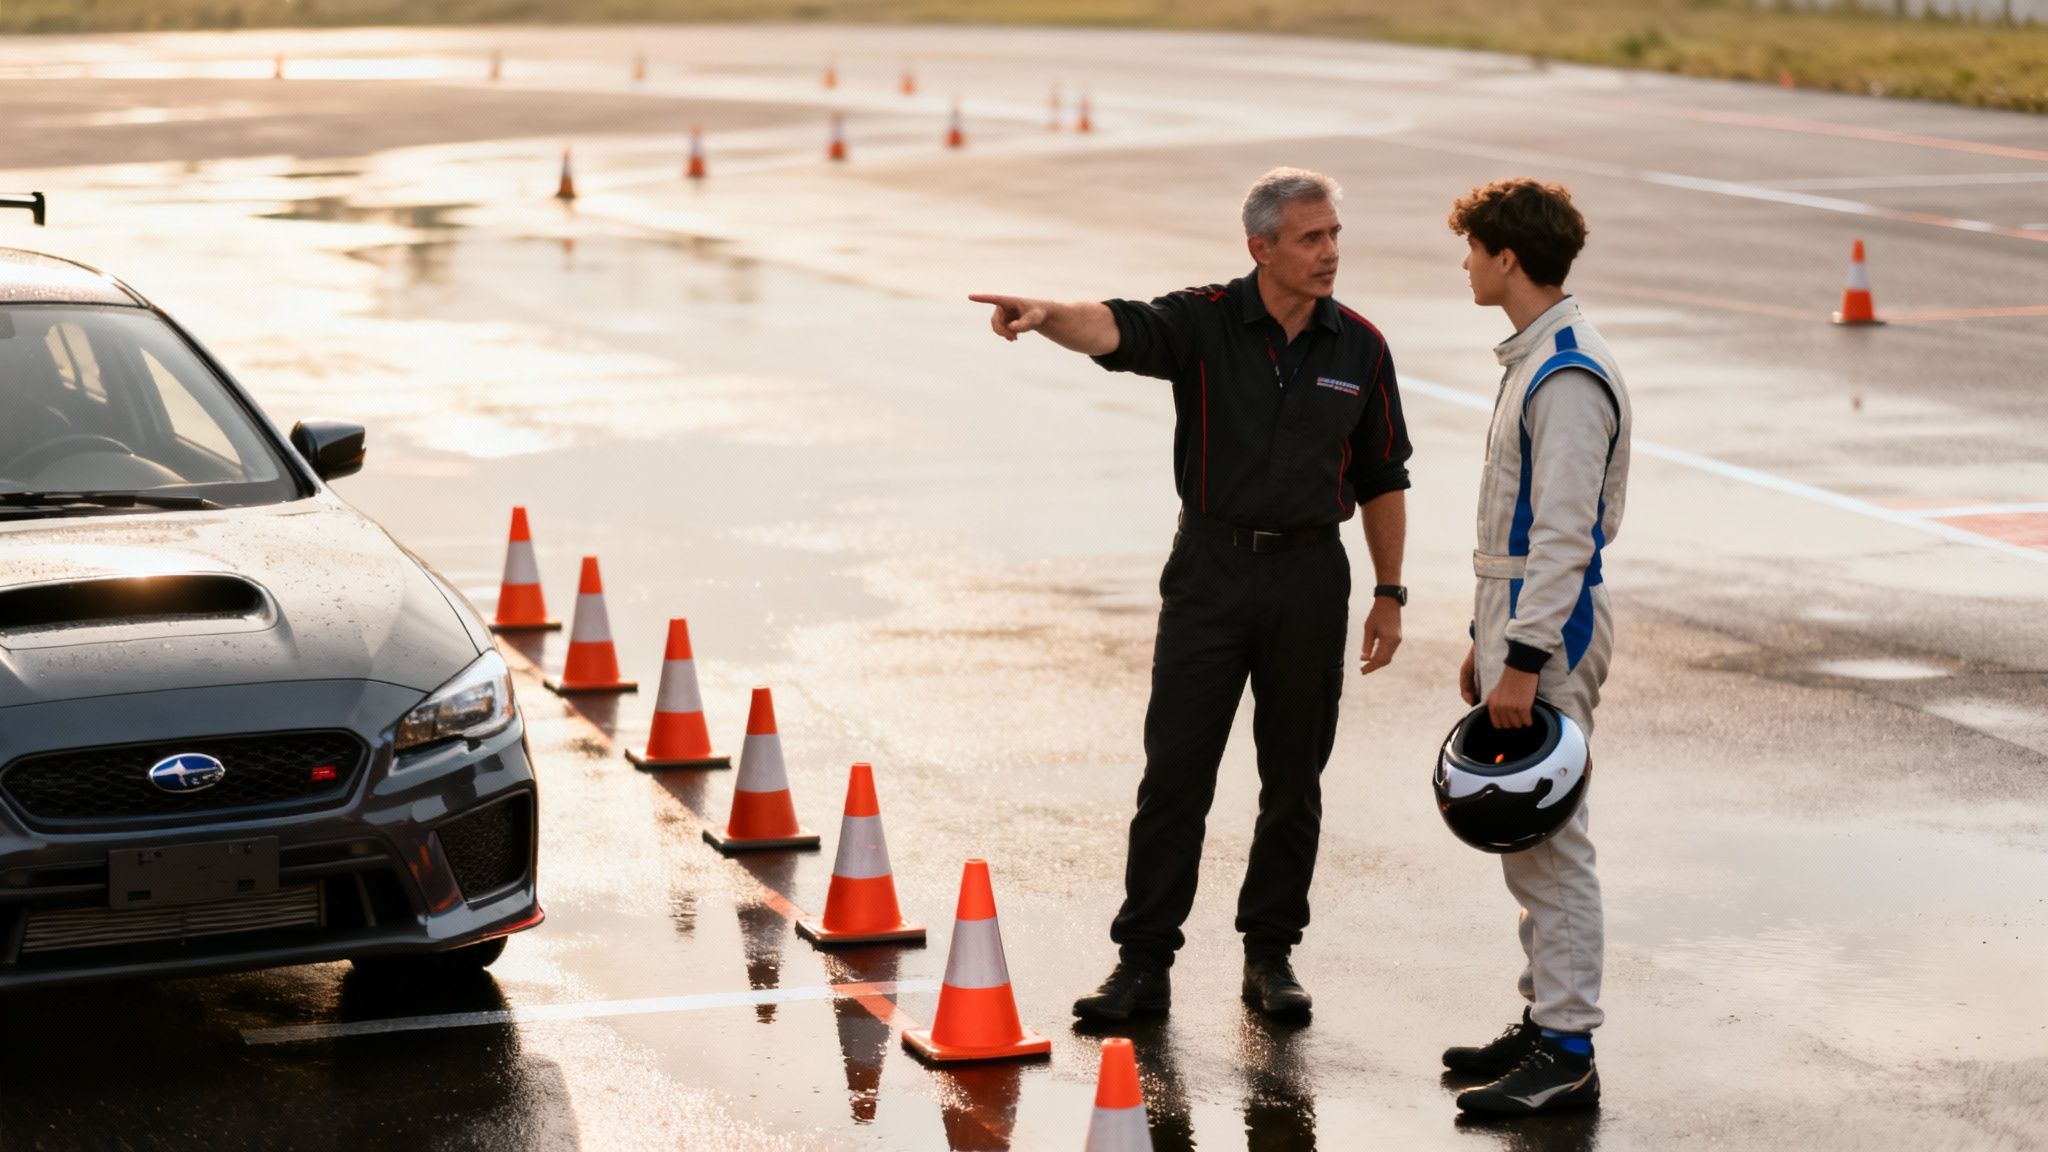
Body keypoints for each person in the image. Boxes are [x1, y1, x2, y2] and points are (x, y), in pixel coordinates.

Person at [969, 168, 1411, 1022]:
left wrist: (1390, 592)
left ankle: (1270, 956)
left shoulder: (1360, 346)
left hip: (1311, 577)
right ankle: (1142, 964)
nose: (1330, 253)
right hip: (1210, 572)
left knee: (1294, 778)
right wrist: (1046, 313)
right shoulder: (1204, 322)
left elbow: (1383, 474)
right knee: (1176, 773)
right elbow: (1116, 328)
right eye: (1310, 238)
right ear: (1262, 248)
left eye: (1334, 236)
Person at [1439, 178, 1632, 1115]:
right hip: (1523, 627)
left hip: (1551, 637)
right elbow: (1519, 535)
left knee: (1551, 843)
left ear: (1506, 256)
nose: (1466, 265)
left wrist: (1523, 656)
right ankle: (1542, 1019)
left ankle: (1567, 1048)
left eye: (1472, 250)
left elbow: (1564, 538)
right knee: (1529, 843)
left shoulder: (1564, 372)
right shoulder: (1533, 358)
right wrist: (1491, 641)